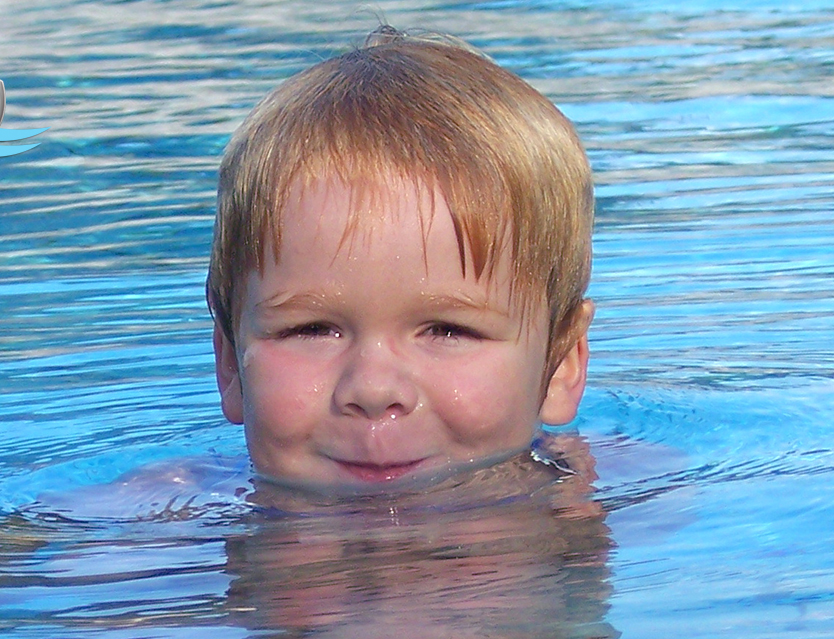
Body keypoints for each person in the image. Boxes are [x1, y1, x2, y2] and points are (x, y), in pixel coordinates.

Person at [207, 25, 595, 491]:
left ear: (560, 366)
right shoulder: (164, 528)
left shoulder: (603, 513)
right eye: (310, 329)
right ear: (230, 363)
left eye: (448, 329)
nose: (373, 390)